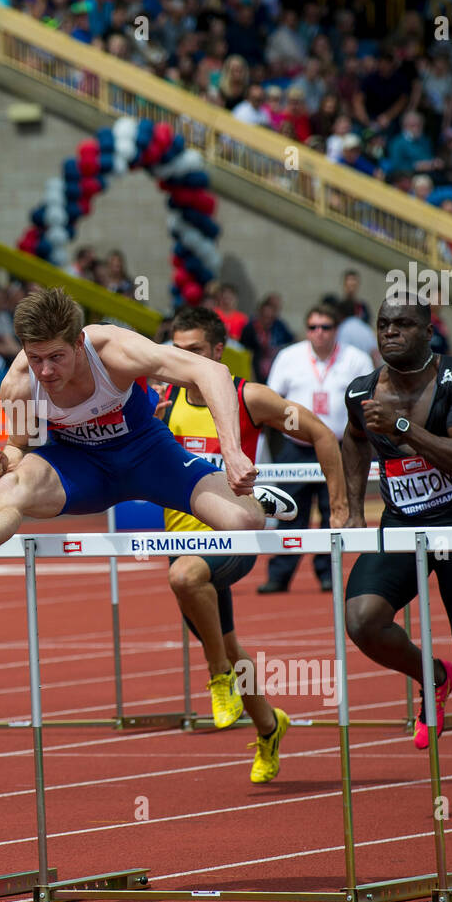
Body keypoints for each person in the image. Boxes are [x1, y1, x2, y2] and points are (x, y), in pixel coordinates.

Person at [0, 288, 298, 588]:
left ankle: (251, 496)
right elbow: (20, 445)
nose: (46, 371)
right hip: (78, 466)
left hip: (146, 454)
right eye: (36, 359)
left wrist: (231, 450)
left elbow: (213, 373)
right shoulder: (18, 383)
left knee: (244, 522)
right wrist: (3, 459)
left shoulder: (113, 351)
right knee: (13, 484)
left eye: (56, 357)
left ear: (79, 342)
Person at [342, 297, 452, 815]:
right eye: (382, 325)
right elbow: (351, 442)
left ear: (427, 330)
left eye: (402, 324)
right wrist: (350, 508)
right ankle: (433, 677)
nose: (389, 333)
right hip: (401, 527)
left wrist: (401, 429)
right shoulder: (360, 391)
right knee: (362, 619)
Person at [157, 309, 348, 781]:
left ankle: (218, 677)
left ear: (218, 353)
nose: (184, 361)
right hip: (179, 537)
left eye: (195, 352)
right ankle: (268, 725)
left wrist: (341, 508)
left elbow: (323, 434)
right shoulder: (164, 399)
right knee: (225, 638)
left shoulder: (248, 397)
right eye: (176, 352)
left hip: (232, 537)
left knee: (186, 578)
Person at [259, 303, 373, 594]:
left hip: (338, 448)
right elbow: (272, 399)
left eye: (325, 327)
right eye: (313, 327)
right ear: (306, 330)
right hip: (296, 446)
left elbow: (369, 403)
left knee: (332, 511)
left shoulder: (356, 359)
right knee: (288, 512)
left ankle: (328, 573)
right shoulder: (289, 357)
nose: (319, 333)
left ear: (336, 330)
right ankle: (280, 574)